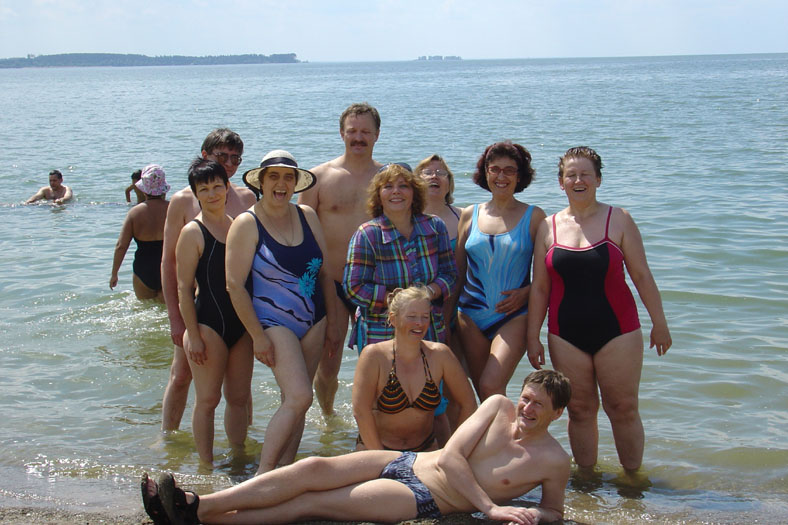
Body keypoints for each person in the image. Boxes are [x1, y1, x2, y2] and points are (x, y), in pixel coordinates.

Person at [142, 369, 572, 525]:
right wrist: (491, 507)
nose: (527, 408)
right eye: (526, 398)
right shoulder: (496, 407)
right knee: (311, 467)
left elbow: (554, 510)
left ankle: (197, 516)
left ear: (557, 414)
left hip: (423, 496)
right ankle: (198, 504)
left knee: (312, 503)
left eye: (539, 405)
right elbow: (453, 456)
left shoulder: (554, 461)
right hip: (408, 460)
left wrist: (530, 514)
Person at [526, 146, 672, 471]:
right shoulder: (547, 227)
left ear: (598, 180)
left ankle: (633, 482)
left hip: (618, 331)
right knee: (579, 409)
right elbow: (540, 288)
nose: (578, 181)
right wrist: (532, 337)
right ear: (561, 182)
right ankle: (587, 483)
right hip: (565, 333)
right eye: (571, 175)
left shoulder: (619, 219)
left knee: (623, 408)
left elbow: (642, 275)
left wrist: (659, 323)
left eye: (585, 174)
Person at [226, 150, 338, 475]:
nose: (281, 183)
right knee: (300, 396)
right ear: (261, 183)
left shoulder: (307, 215)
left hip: (314, 319)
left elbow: (325, 273)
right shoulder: (246, 223)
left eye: (288, 177)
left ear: (296, 183)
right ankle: (262, 476)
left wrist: (332, 323)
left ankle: (283, 474)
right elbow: (234, 285)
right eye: (273, 176)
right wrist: (257, 337)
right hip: (274, 323)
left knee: (296, 402)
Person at [160, 128, 256, 432]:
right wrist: (175, 319)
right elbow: (169, 263)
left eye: (235, 159)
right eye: (221, 156)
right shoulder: (182, 201)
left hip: (239, 310)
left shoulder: (247, 197)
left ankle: (243, 446)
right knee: (181, 376)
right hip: (199, 311)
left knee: (240, 390)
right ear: (205, 156)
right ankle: (168, 438)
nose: (229, 163)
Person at [298, 102, 383, 415]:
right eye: (352, 131)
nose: (358, 137)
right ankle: (328, 415)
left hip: (375, 283)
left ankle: (374, 419)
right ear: (341, 133)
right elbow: (300, 234)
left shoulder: (388, 179)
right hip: (330, 281)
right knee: (329, 358)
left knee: (380, 358)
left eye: (365, 132)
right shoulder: (318, 177)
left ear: (376, 135)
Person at [449, 142, 546, 401]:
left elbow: (547, 275)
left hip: (514, 316)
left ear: (520, 176)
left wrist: (526, 293)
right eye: (495, 169)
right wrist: (446, 323)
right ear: (486, 173)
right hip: (469, 316)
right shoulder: (469, 214)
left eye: (509, 170)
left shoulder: (534, 217)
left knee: (491, 384)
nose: (501, 176)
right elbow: (458, 274)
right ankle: (501, 429)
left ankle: (514, 427)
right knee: (485, 394)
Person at [175, 158, 253, 466]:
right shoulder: (192, 232)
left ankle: (238, 459)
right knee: (208, 400)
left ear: (227, 187)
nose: (212, 194)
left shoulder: (238, 226)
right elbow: (184, 289)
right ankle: (206, 467)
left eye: (217, 187)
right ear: (195, 193)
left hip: (241, 325)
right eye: (204, 189)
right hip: (207, 325)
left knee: (239, 398)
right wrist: (192, 336)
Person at [344, 162, 457, 350]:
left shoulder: (435, 226)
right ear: (379, 195)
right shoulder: (367, 234)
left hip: (428, 328)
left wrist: (427, 293)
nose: (396, 191)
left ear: (415, 192)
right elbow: (353, 287)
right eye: (388, 186)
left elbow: (450, 274)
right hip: (381, 333)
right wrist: (398, 301)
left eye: (403, 186)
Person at [352, 285, 476, 452]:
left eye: (425, 317)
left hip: (424, 449)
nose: (419, 323)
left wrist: (455, 449)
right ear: (393, 319)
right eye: (411, 316)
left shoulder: (440, 355)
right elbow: (361, 412)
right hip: (377, 449)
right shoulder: (374, 356)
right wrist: (382, 458)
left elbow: (468, 404)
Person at [416, 154, 465, 439]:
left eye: (441, 172)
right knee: (427, 379)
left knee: (456, 383)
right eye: (427, 172)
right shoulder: (408, 217)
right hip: (425, 312)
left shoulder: (464, 216)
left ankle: (456, 442)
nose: (435, 176)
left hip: (462, 309)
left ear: (449, 182)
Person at [109, 164, 169, 301]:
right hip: (169, 268)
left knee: (144, 308)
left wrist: (114, 274)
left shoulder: (134, 213)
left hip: (143, 269)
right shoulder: (173, 209)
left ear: (143, 189)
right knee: (167, 311)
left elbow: (121, 246)